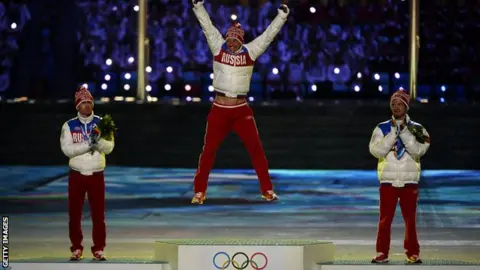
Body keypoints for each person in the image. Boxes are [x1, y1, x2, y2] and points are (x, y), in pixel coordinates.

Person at [190, 0, 289, 204]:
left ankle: (267, 190)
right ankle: (199, 191)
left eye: (235, 40)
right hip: (219, 109)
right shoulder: (218, 47)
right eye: (229, 39)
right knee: (208, 151)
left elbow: (268, 36)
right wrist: (198, 7)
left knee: (256, 149)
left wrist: (281, 16)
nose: (231, 43)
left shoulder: (250, 51)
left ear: (241, 41)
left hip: (241, 110)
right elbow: (207, 27)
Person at [369, 89, 430, 264]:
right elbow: (376, 150)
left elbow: (419, 150)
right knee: (384, 220)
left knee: (410, 220)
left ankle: (412, 252)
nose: (396, 107)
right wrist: (393, 133)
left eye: (399, 104)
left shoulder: (418, 129)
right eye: (393, 104)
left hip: (409, 181)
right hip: (388, 181)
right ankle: (382, 253)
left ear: (406, 106)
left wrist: (403, 132)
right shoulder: (382, 128)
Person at [60, 86, 115, 261]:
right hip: (76, 175)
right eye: (83, 103)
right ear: (77, 106)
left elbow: (109, 147)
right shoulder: (69, 125)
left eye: (89, 103)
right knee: (74, 214)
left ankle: (99, 248)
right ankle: (76, 247)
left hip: (97, 174)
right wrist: (87, 144)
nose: (87, 106)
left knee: (99, 214)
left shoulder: (102, 123)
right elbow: (67, 150)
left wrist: (97, 143)